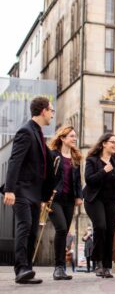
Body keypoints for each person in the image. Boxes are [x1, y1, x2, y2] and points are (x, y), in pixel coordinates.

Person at [2, 96, 55, 284]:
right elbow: (15, 161)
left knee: (32, 231)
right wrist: (9, 190)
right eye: (51, 110)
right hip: (21, 190)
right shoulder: (26, 131)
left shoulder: (38, 133)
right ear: (43, 111)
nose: (52, 114)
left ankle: (27, 270)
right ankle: (21, 269)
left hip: (34, 193)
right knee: (24, 227)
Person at [83, 133, 115, 278]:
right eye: (112, 142)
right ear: (103, 144)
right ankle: (98, 263)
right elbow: (89, 180)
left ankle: (107, 266)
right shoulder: (92, 160)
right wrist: (103, 171)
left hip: (110, 201)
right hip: (94, 200)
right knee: (100, 227)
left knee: (110, 232)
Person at [48, 125, 83, 280]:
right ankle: (58, 267)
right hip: (54, 198)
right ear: (62, 138)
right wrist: (44, 197)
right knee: (61, 229)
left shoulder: (75, 158)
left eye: (75, 136)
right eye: (71, 136)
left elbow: (78, 180)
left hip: (69, 200)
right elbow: (47, 177)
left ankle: (62, 268)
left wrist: (79, 196)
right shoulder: (53, 155)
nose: (74, 138)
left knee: (64, 232)